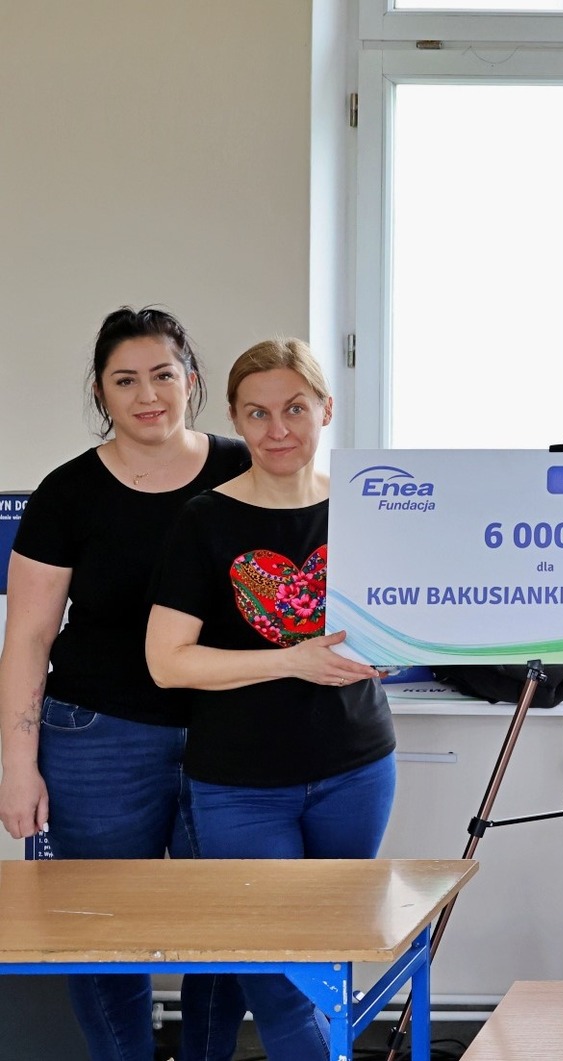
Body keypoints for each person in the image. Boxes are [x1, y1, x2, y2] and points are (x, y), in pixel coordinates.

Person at [0, 307, 249, 1061]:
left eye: (163, 375)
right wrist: (16, 764)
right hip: (97, 736)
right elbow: (29, 638)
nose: (148, 395)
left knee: (230, 925)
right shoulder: (68, 491)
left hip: (231, 735)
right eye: (125, 380)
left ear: (191, 380)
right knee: (101, 927)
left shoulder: (244, 469)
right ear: (100, 392)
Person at [145, 338, 397, 1061]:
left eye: (295, 408)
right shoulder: (204, 520)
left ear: (326, 409)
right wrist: (293, 659)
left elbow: (401, 625)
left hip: (356, 769)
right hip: (239, 787)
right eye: (257, 413)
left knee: (329, 958)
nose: (277, 428)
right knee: (278, 980)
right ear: (234, 417)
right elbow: (166, 662)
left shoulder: (367, 510)